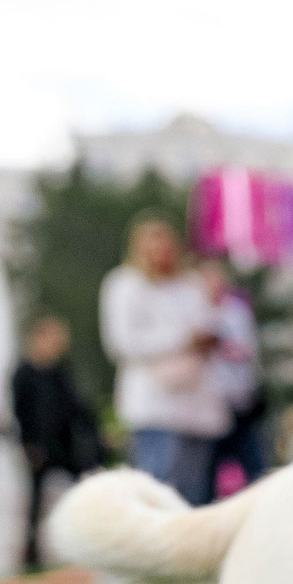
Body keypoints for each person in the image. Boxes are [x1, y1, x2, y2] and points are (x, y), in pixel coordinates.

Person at [100, 213, 227, 502]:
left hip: (196, 405)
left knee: (195, 493)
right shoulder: (125, 284)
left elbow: (208, 324)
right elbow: (122, 342)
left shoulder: (191, 284)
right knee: (158, 491)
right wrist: (182, 338)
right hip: (154, 405)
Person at [11, 315, 101, 570]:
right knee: (35, 500)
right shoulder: (23, 373)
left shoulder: (61, 372)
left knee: (82, 488)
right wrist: (28, 444)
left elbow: (77, 407)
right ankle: (31, 550)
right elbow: (21, 412)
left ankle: (86, 542)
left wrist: (95, 433)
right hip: (38, 446)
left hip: (65, 444)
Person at [197, 257, 269, 500]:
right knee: (207, 470)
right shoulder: (197, 312)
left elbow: (247, 350)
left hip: (240, 401)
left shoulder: (236, 311)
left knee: (253, 463)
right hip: (209, 405)